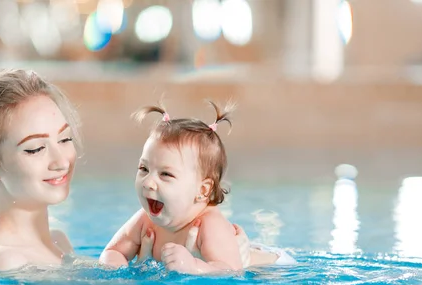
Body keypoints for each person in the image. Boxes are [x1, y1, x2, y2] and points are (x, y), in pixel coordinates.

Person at [0, 68, 207, 271]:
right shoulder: (2, 261)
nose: (60, 160)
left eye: (64, 139)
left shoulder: (58, 243)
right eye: (35, 148)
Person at [99, 103, 295, 275]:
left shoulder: (209, 225)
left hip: (273, 265)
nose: (148, 182)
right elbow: (113, 251)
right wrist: (119, 273)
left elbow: (231, 271)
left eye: (166, 174)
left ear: (202, 190)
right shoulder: (145, 219)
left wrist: (194, 267)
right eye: (143, 169)